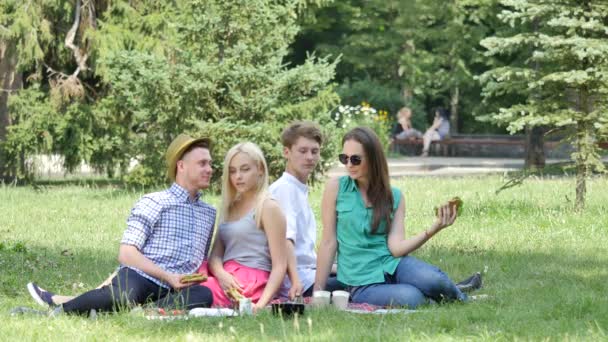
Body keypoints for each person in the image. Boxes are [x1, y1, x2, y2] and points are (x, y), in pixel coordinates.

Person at [27, 134, 217, 315]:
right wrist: (168, 276)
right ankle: (59, 312)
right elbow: (127, 254)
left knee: (204, 295)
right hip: (143, 278)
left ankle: (141, 313)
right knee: (122, 295)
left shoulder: (209, 213)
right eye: (202, 163)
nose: (209, 169)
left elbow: (200, 262)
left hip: (176, 290)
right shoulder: (155, 202)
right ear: (181, 166)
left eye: (210, 163)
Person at [314, 126, 477, 308]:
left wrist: (435, 228)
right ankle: (444, 295)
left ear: (373, 159)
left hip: (392, 264)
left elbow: (397, 249)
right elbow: (328, 242)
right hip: (360, 282)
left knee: (433, 280)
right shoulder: (336, 188)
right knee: (411, 297)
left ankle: (458, 297)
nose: (349, 165)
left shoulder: (394, 196)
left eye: (356, 159)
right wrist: (317, 293)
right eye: (344, 158)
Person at [196, 142, 287, 312]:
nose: (238, 176)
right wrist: (222, 275)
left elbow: (280, 265)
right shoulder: (229, 207)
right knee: (193, 282)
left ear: (260, 169)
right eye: (232, 171)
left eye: (245, 169)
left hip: (251, 283)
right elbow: (215, 256)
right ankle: (153, 307)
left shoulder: (268, 207)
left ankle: (155, 309)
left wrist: (260, 306)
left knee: (198, 291)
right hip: (227, 278)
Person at [269, 121, 344, 300]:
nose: (310, 157)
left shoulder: (297, 188)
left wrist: (337, 267)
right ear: (286, 152)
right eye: (302, 151)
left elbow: (305, 255)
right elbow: (286, 241)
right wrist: (296, 282)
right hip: (299, 281)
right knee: (364, 281)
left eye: (314, 151)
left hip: (309, 272)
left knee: (361, 272)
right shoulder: (285, 189)